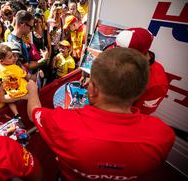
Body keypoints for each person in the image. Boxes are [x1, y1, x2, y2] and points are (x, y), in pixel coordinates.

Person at [27, 47, 175, 180]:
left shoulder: (62, 122)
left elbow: (33, 112)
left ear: (93, 89)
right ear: (139, 92)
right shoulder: (163, 135)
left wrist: (33, 89)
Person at [111, 27, 169, 115]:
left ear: (136, 55)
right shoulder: (124, 60)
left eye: (120, 55)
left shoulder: (156, 84)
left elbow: (140, 115)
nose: (115, 57)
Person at [0, 43, 29, 122]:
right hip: (22, 90)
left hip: (10, 93)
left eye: (13, 55)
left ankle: (16, 114)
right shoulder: (14, 67)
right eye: (10, 57)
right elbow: (24, 74)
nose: (13, 58)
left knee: (9, 101)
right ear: (1, 61)